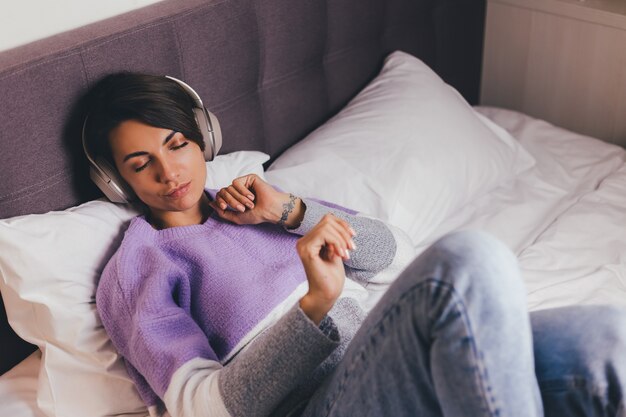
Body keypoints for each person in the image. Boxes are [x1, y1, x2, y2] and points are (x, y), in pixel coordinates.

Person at [84, 72, 626, 417]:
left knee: (606, 339)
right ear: (115, 182)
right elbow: (202, 408)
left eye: (176, 144)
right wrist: (314, 309)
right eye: (140, 164)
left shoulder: (259, 201)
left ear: (203, 136)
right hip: (323, 404)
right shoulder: (142, 265)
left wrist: (290, 212)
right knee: (468, 259)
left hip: (395, 358)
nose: (168, 170)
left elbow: (397, 255)